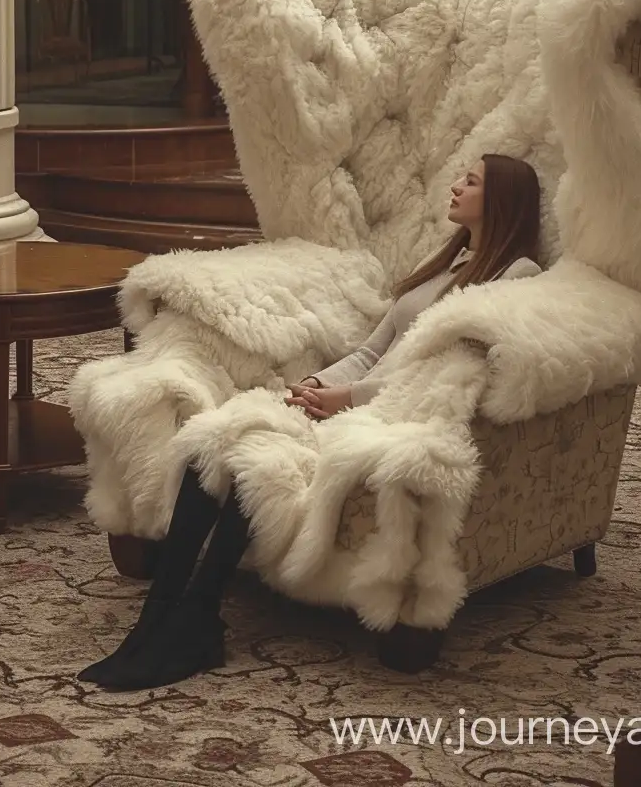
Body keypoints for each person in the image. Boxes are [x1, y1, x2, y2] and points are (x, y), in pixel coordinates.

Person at [78, 152, 545, 691]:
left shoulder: (515, 276)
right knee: (215, 444)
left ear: (505, 200)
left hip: (396, 416)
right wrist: (319, 385)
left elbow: (447, 374)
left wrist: (349, 398)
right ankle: (164, 614)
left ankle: (196, 614)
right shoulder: (446, 265)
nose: (457, 186)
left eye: (473, 181)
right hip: (354, 399)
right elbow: (373, 350)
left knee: (254, 462)